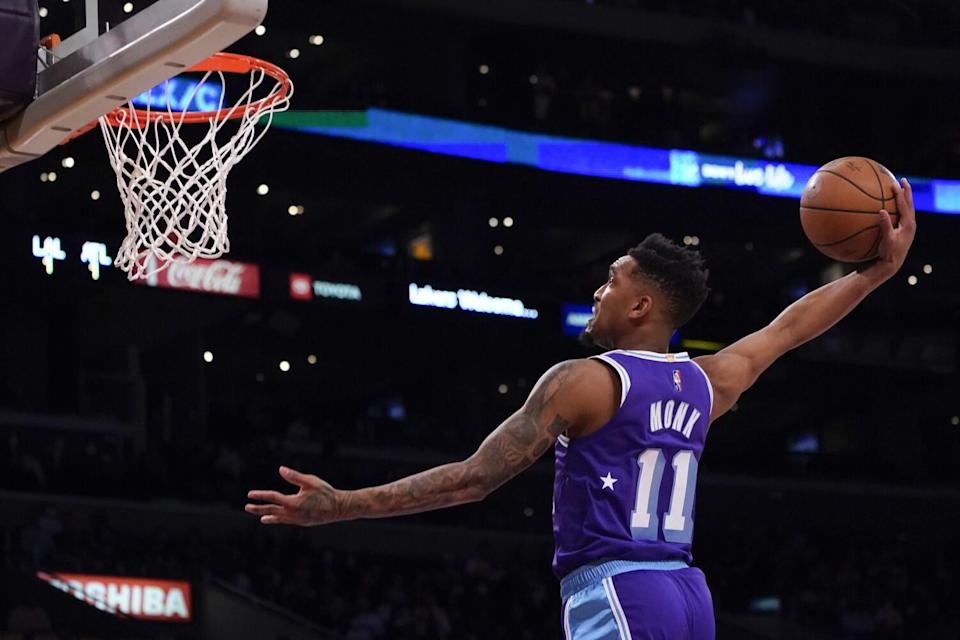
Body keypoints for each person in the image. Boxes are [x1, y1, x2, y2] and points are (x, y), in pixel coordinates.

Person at [246, 179, 916, 639]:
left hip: (620, 589)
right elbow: (790, 327)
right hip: (688, 597)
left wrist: (344, 505)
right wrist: (876, 274)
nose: (598, 291)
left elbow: (476, 479)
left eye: (611, 281)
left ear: (641, 307)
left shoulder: (582, 381)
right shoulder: (710, 381)